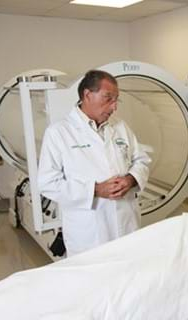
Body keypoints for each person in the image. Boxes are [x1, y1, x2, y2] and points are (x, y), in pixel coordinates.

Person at [38, 70, 151, 257]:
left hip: (126, 222)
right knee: (93, 280)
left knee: (129, 274)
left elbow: (141, 160)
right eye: (108, 98)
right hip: (88, 230)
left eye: (116, 100)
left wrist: (131, 179)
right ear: (87, 95)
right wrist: (96, 190)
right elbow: (48, 183)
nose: (114, 107)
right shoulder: (59, 133)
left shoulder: (120, 127)